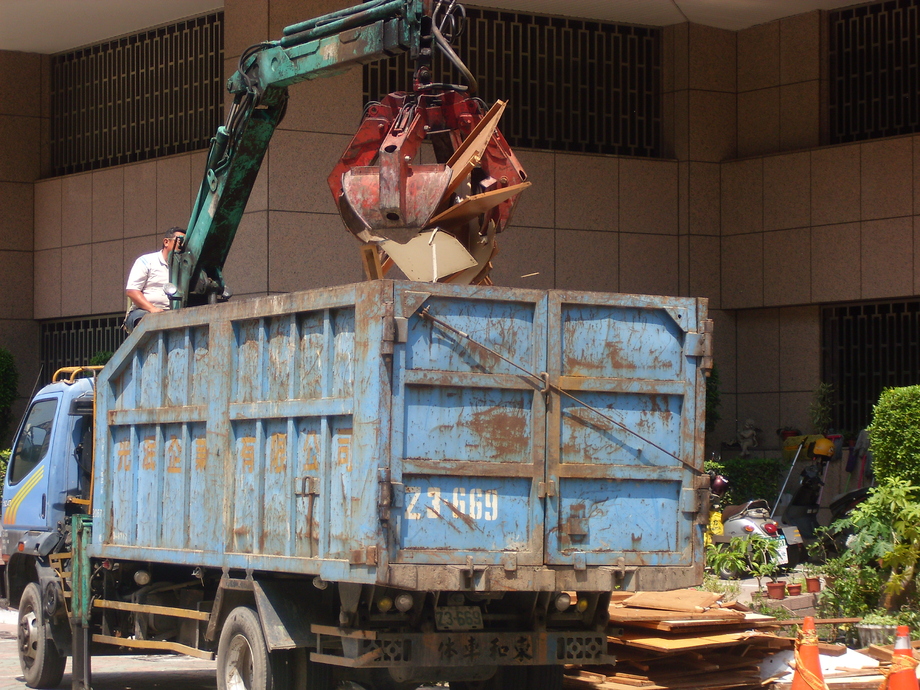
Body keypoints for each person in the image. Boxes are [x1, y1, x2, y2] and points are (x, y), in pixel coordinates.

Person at [124, 227, 185, 333]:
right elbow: (132, 291)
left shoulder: (185, 267)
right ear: (166, 242)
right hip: (145, 311)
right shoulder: (146, 261)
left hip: (175, 313)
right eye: (180, 241)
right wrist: (152, 309)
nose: (183, 245)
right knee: (145, 319)